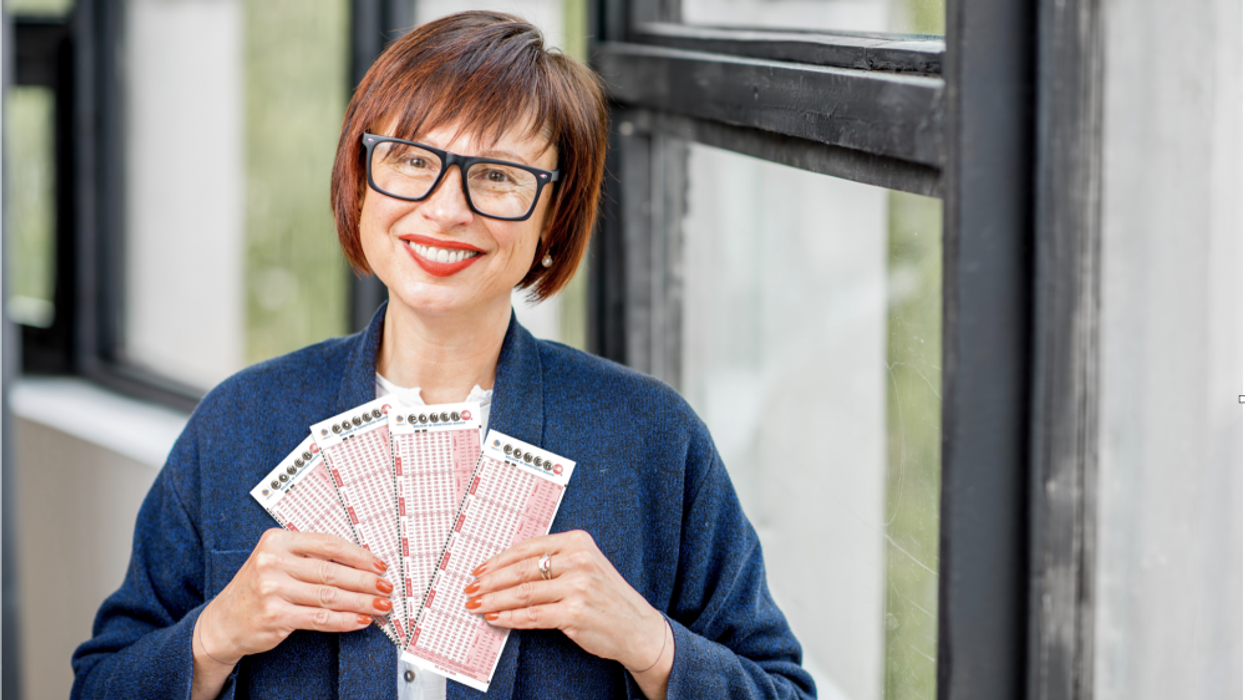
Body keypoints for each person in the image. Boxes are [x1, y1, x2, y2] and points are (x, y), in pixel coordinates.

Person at [71, 11, 816, 700]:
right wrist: (214, 637)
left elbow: (781, 689)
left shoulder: (649, 436)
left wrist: (652, 646)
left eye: (497, 176)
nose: (445, 208)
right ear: (359, 180)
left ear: (553, 215)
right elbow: (99, 683)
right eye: (409, 158)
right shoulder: (243, 418)